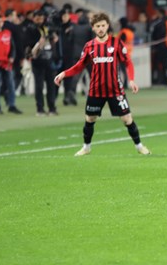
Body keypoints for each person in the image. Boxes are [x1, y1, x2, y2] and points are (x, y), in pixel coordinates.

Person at [55, 12, 151, 157]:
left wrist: (131, 79)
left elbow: (128, 62)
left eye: (103, 25)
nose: (100, 28)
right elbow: (79, 66)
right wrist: (64, 73)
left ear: (107, 26)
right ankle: (86, 147)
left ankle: (139, 146)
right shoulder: (89, 46)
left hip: (115, 90)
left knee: (127, 119)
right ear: (93, 28)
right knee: (90, 119)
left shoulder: (117, 43)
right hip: (96, 90)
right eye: (97, 26)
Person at [28, 9, 60, 116]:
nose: (40, 20)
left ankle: (52, 108)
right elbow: (28, 44)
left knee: (51, 85)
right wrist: (38, 43)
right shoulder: (30, 29)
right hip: (37, 61)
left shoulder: (47, 27)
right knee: (39, 86)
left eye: (41, 18)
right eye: (37, 18)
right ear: (34, 18)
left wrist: (53, 38)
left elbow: (54, 35)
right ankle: (40, 109)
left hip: (49, 60)